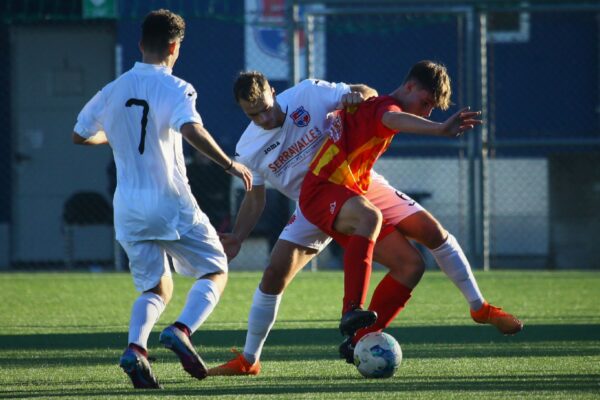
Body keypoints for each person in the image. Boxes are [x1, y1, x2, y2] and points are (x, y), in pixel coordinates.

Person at [209, 68, 522, 376]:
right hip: (314, 199)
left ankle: (473, 308)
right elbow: (255, 197)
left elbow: (369, 96)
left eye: (266, 109)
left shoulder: (308, 94)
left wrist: (354, 96)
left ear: (273, 94)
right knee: (274, 275)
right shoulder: (247, 148)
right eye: (254, 116)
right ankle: (250, 360)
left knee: (417, 255)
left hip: (358, 182)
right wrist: (237, 235)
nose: (264, 119)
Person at [71, 9, 252, 389]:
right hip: (169, 201)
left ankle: (136, 349)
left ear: (140, 44)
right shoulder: (176, 87)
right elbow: (191, 128)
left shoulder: (114, 89)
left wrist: (114, 136)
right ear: (174, 47)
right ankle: (182, 330)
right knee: (216, 268)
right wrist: (228, 164)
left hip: (129, 208)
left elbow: (79, 134)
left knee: (156, 288)